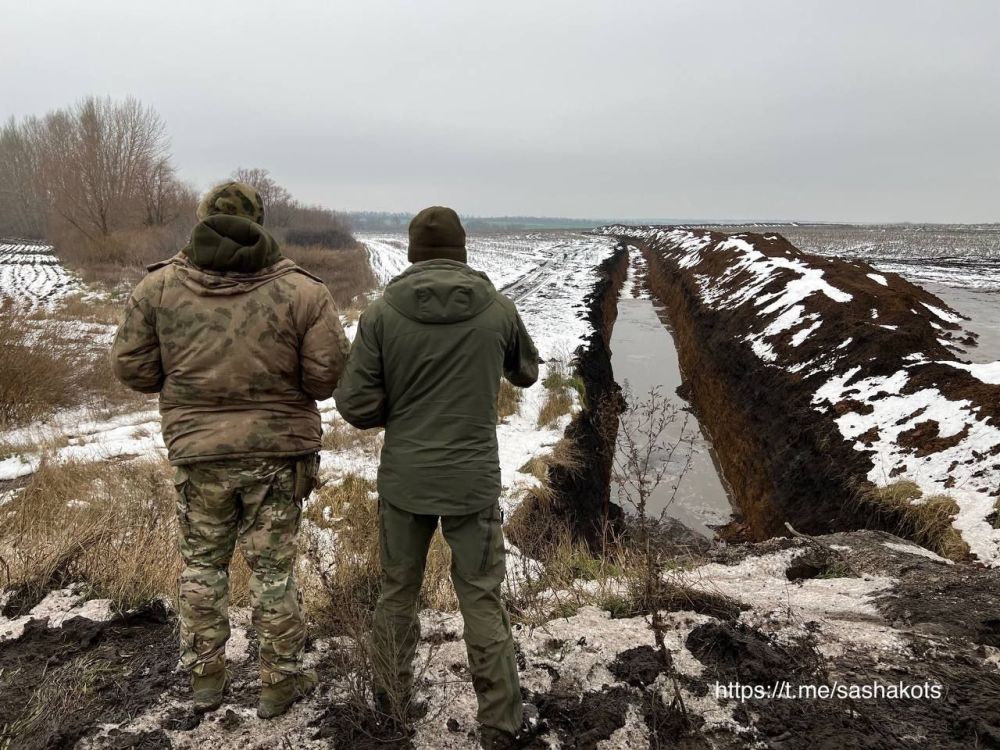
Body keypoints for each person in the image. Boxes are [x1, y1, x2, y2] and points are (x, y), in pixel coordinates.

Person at [111, 182, 350, 718]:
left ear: (200, 220)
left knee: (201, 565)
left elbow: (133, 369)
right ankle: (279, 683)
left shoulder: (158, 289)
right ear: (261, 221)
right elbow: (325, 377)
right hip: (278, 454)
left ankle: (205, 679)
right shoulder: (304, 293)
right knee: (273, 573)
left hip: (198, 454)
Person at [334, 206, 539, 748]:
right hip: (472, 481)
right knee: (482, 597)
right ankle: (500, 724)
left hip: (405, 481)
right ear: (463, 250)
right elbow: (528, 372)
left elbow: (353, 403)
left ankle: (390, 706)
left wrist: (399, 410)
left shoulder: (381, 314)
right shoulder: (497, 309)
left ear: (412, 252)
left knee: (397, 594)